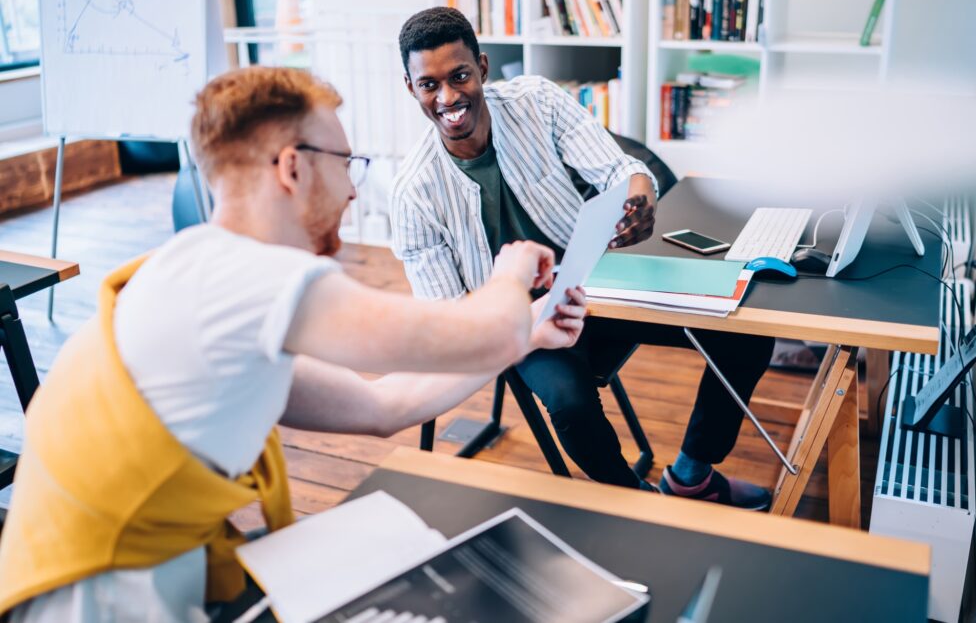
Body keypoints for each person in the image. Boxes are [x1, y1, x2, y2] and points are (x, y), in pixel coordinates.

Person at [0, 66, 586, 621]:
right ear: (292, 168)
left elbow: (384, 407)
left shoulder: (195, 270)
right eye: (346, 162)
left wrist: (526, 333)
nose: (354, 192)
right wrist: (510, 277)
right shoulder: (250, 280)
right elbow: (478, 332)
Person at [392, 7, 776, 509]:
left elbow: (620, 167)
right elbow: (448, 317)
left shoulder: (536, 101)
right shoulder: (413, 192)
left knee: (746, 333)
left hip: (595, 281)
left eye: (459, 76)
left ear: (482, 67)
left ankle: (691, 475)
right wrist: (522, 316)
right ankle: (641, 506)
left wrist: (640, 192)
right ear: (411, 87)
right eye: (429, 85)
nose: (447, 98)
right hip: (515, 324)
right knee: (572, 404)